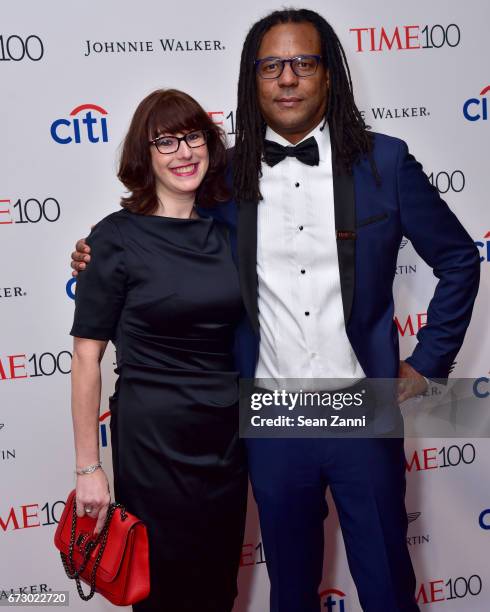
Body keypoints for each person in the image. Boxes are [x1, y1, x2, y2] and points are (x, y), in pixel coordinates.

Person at [72, 9, 480, 612]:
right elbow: (158, 233)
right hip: (269, 417)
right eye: (271, 66)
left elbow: (460, 260)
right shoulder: (219, 177)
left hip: (360, 408)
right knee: (290, 589)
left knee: (389, 581)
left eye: (304, 63)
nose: (287, 78)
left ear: (328, 76)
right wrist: (92, 253)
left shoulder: (385, 163)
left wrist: (428, 363)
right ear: (253, 79)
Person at [70, 88, 247, 612]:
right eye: (164, 141)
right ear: (143, 157)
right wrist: (88, 468)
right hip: (154, 439)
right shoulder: (114, 239)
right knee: (164, 587)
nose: (183, 151)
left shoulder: (229, 235)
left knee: (219, 586)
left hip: (226, 435)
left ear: (210, 145)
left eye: (192, 136)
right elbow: (85, 358)